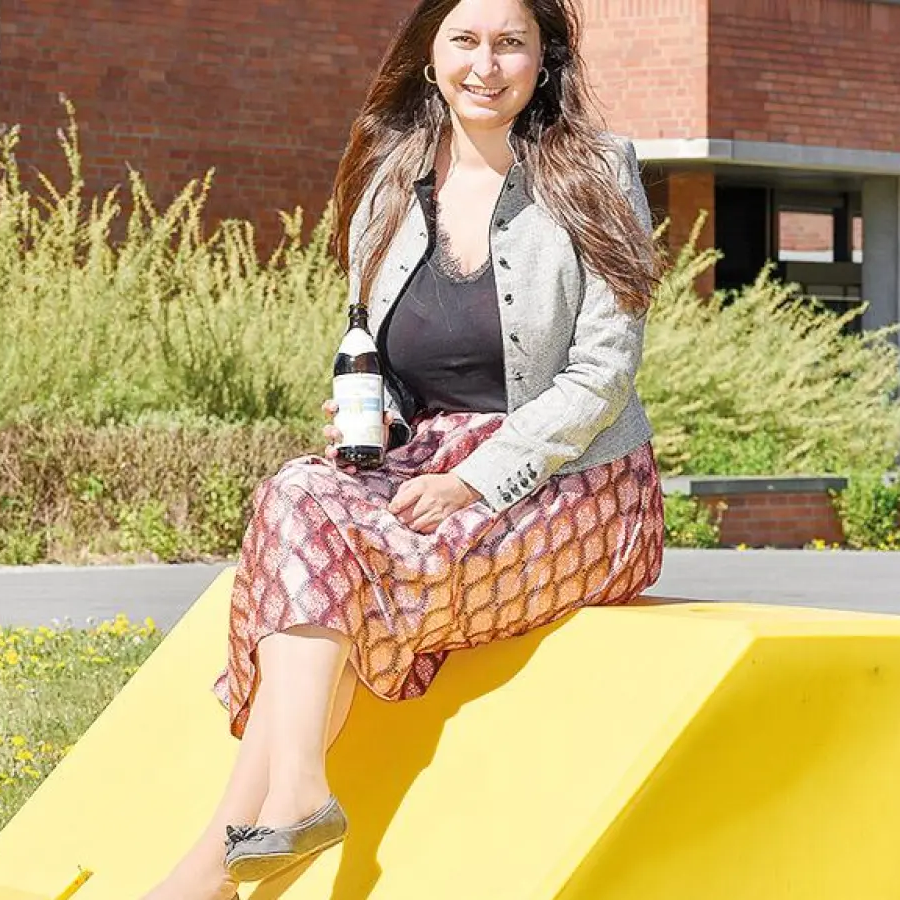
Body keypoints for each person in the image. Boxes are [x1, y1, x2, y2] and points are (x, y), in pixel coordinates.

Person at [142, 0, 665, 894]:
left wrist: (475, 479)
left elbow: (601, 375)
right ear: (431, 56)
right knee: (297, 496)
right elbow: (375, 347)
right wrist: (371, 408)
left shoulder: (596, 170)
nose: (486, 64)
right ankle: (292, 796)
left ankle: (211, 872)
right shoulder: (390, 180)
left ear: (546, 60)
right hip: (426, 461)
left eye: (511, 44)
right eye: (465, 41)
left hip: (577, 482)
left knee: (344, 561)